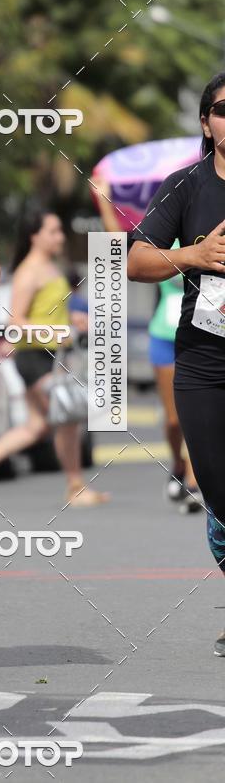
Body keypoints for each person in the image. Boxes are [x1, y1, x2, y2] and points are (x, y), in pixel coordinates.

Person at [128, 71, 225, 657]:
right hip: (204, 360)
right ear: (207, 123)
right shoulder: (184, 187)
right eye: (224, 109)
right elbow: (133, 260)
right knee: (216, 488)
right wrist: (194, 254)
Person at [0, 208, 109, 506]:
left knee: (37, 426)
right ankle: (75, 487)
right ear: (35, 236)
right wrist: (58, 331)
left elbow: (49, 312)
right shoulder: (29, 272)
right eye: (53, 231)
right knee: (68, 414)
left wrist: (74, 319)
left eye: (59, 230)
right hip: (35, 358)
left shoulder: (50, 267)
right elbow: (16, 323)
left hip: (49, 355)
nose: (60, 237)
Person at [91, 174, 200, 514]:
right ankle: (178, 464)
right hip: (163, 335)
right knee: (172, 420)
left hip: (202, 334)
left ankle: (196, 483)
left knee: (198, 415)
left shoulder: (207, 230)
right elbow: (118, 247)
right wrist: (103, 199)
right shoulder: (162, 238)